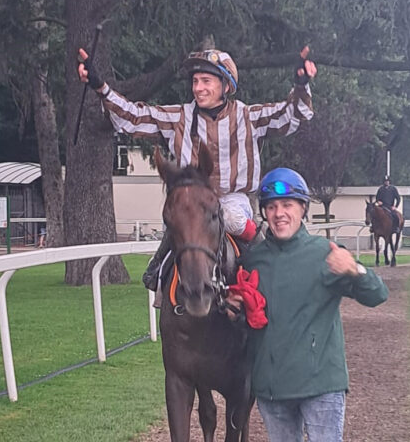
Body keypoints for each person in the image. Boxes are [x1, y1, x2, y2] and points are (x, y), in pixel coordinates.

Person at [77, 45, 317, 295]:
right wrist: (100, 87)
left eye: (206, 81)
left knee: (233, 219)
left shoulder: (248, 116)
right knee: (180, 218)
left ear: (226, 86)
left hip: (232, 200)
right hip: (192, 202)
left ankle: (266, 255)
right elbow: (134, 117)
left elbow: (291, 116)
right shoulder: (178, 118)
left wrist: (300, 86)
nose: (198, 88)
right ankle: (159, 271)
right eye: (195, 81)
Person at [226, 167, 389, 442]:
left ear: (303, 209)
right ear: (264, 212)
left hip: (321, 386)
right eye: (272, 206)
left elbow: (378, 295)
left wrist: (355, 271)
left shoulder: (326, 254)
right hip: (271, 388)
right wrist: (233, 310)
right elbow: (245, 320)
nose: (280, 214)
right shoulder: (252, 261)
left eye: (288, 205)